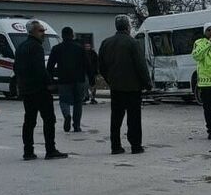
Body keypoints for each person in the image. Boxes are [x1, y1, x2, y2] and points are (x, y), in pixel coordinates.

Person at [99, 15, 152, 154]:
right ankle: (135, 145)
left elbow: (101, 67)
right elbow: (141, 65)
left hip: (116, 87)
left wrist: (110, 79)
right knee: (134, 117)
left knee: (116, 118)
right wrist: (147, 83)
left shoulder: (106, 43)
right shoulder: (132, 43)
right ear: (128, 27)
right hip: (133, 87)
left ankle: (115, 146)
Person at [15, 20, 67, 160]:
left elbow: (16, 68)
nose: (43, 34)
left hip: (26, 89)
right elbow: (40, 69)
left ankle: (28, 151)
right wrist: (49, 83)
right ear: (32, 31)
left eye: (43, 30)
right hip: (39, 89)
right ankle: (50, 149)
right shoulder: (36, 47)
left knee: (29, 120)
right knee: (49, 119)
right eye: (41, 31)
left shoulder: (21, 47)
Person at [48, 27, 89, 133]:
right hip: (79, 79)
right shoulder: (80, 48)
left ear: (62, 36)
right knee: (78, 102)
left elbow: (50, 66)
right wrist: (91, 79)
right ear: (72, 35)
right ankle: (77, 126)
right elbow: (87, 64)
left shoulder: (57, 48)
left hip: (64, 79)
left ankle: (67, 115)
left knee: (64, 101)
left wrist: (51, 78)